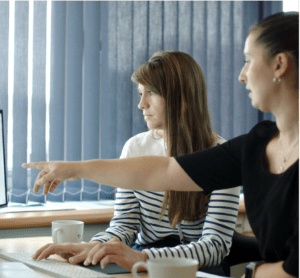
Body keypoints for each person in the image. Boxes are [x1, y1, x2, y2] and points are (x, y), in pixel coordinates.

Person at [23, 12, 299, 278]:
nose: (241, 75)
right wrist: (96, 244)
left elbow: (231, 251)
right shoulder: (256, 145)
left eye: (248, 60)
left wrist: (142, 258)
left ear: (280, 65)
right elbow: (162, 172)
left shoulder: (228, 150)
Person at [28, 51, 240, 275]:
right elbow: (125, 225)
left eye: (151, 93)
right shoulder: (134, 148)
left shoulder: (222, 157)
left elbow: (215, 247)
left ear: (182, 98)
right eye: (140, 93)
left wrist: (143, 257)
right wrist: (95, 246)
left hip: (195, 269)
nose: (141, 104)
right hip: (142, 261)